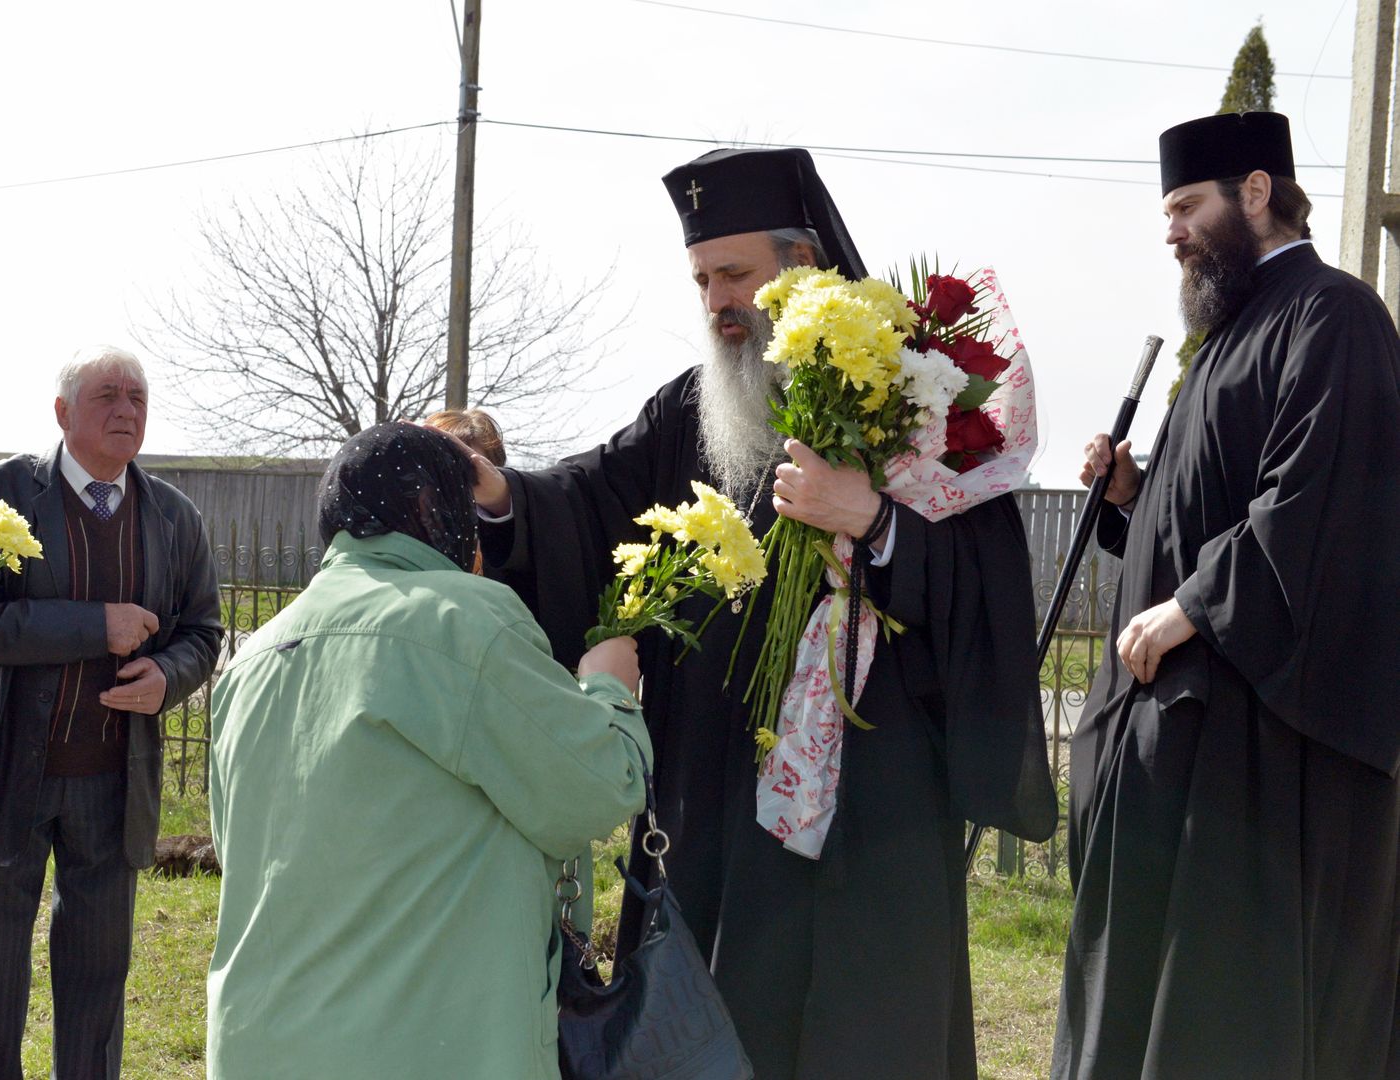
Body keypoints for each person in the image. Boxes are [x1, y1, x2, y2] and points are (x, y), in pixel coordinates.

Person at [464, 148, 1055, 1079]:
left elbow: (989, 578)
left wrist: (872, 520)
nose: (716, 303)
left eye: (734, 275)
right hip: (722, 808)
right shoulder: (687, 414)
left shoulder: (917, 397)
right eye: (701, 279)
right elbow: (589, 500)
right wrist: (496, 490)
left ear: (807, 265)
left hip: (877, 814)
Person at [1053, 111, 1400, 1078]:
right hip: (1181, 730)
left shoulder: (1334, 314)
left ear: (1256, 192)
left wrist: (1191, 609)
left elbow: (1314, 505)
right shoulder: (1228, 337)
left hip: (1259, 751)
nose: (1170, 231)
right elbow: (1205, 511)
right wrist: (1130, 496)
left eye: (1185, 206)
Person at [206, 422, 651, 1080]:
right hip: (423, 1044)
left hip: (258, 1042)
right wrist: (610, 687)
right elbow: (595, 789)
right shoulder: (459, 620)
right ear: (429, 510)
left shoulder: (255, 658)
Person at [0, 346, 223, 1079]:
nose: (126, 410)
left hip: (113, 781)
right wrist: (95, 625)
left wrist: (168, 674)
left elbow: (202, 631)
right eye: (106, 396)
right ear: (62, 413)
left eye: (137, 397)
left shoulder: (173, 517)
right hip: (6, 773)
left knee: (98, 985)